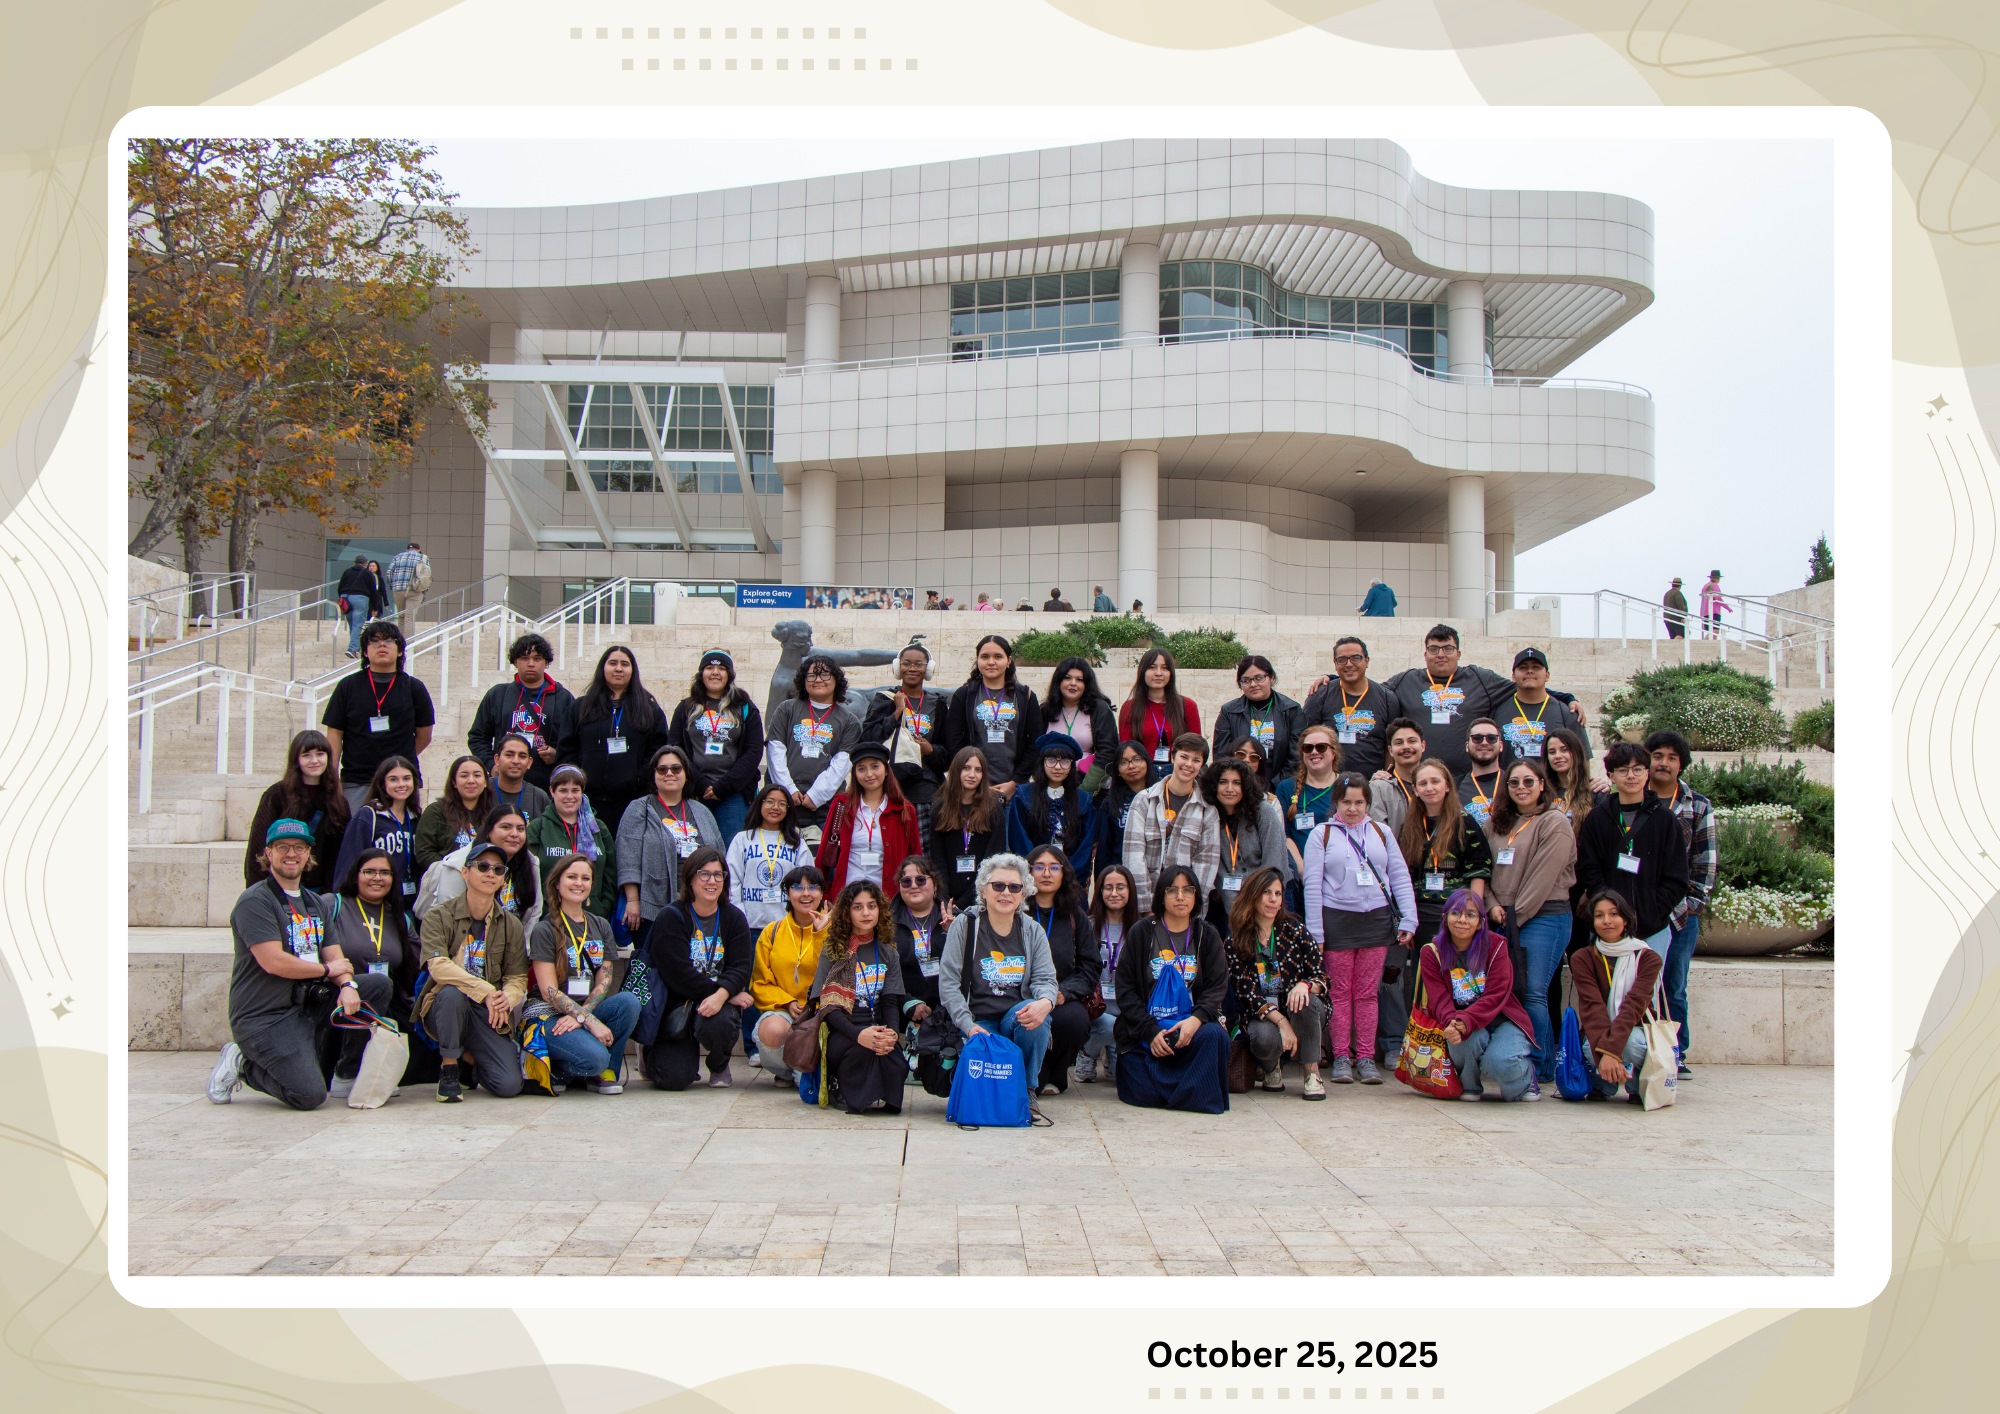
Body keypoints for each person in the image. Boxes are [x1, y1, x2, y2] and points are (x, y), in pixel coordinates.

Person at [207, 819, 395, 1109]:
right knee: (309, 1095)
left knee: (376, 986)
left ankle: (346, 1072)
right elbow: (274, 962)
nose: (291, 854)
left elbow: (335, 956)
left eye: (299, 847)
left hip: (308, 1004)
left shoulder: (314, 902)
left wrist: (347, 985)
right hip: (266, 1015)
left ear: (309, 854)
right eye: (282, 847)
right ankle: (242, 1062)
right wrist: (327, 971)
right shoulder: (255, 901)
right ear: (268, 853)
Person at [1303, 773, 1417, 1085]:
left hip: (1376, 920)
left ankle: (1365, 1058)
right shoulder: (1321, 834)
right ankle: (1341, 1056)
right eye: (1346, 802)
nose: (1352, 809)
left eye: (1359, 802)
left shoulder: (1382, 832)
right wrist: (1317, 934)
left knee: (1367, 994)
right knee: (1340, 992)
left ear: (1368, 803)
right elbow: (1311, 885)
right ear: (1336, 803)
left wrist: (1409, 919)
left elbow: (1399, 875)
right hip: (1337, 920)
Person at [1387, 757, 1493, 1064]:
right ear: (1415, 790)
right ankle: (1416, 1043)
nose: (1429, 788)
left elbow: (1478, 870)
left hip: (1454, 916)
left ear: (1447, 786)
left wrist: (1473, 917)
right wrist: (1405, 919)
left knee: (1451, 979)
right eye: (1423, 783)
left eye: (1435, 781)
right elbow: (1402, 873)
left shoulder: (1464, 822)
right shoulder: (1409, 825)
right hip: (1418, 913)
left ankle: (1454, 1045)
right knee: (1417, 981)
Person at [1485, 757, 1579, 1087]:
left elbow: (1543, 878)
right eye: (1514, 783)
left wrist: (1513, 917)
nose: (1521, 788)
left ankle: (1541, 1065)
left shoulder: (1554, 822)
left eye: (1528, 781)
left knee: (1534, 992)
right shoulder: (1497, 823)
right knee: (1509, 991)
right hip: (1503, 918)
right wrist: (1492, 905)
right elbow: (1484, 870)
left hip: (1543, 917)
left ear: (1542, 784)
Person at [938, 853, 1062, 1096]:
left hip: (1014, 1018)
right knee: (988, 1092)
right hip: (977, 1021)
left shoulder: (1032, 930)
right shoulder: (965, 925)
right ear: (984, 890)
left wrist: (1046, 1003)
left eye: (1014, 887)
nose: (1006, 892)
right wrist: (967, 1025)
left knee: (1036, 1017)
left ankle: (1027, 1091)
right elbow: (949, 983)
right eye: (998, 886)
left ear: (1023, 894)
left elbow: (1046, 979)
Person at [416, 839, 530, 1102]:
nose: (490, 873)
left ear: (503, 879)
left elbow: (516, 977)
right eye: (482, 866)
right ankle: (449, 1068)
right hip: (445, 1004)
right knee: (452, 994)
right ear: (465, 873)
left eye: (498, 870)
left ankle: (468, 1058)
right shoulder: (438, 916)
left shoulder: (510, 924)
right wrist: (487, 990)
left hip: (486, 1011)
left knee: (508, 1086)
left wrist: (506, 998)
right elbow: (438, 967)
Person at [1110, 864, 1231, 1112]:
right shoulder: (1142, 932)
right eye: (1172, 890)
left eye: (1187, 890)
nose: (1180, 897)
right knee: (1139, 1087)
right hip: (1147, 1033)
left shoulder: (1206, 934)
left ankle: (1183, 1093)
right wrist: (1149, 1031)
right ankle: (1191, 1093)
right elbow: (1125, 990)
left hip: (1189, 1029)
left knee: (1215, 1037)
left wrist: (1196, 1020)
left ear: (1196, 895)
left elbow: (1216, 987)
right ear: (1161, 896)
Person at [527, 855, 641, 1093]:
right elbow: (549, 992)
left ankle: (604, 1071)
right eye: (571, 877)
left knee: (628, 1002)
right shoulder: (544, 929)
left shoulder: (600, 925)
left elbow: (606, 978)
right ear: (557, 883)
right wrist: (588, 1020)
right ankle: (562, 1068)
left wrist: (582, 1016)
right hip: (550, 1016)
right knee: (594, 1058)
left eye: (585, 878)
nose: (579, 883)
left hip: (585, 1009)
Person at [643, 847, 754, 1089]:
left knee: (722, 1021)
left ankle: (719, 1063)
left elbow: (741, 965)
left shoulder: (734, 917)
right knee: (673, 1079)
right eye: (704, 874)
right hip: (677, 1003)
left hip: (715, 1005)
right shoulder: (671, 917)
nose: (712, 881)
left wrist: (721, 996)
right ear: (690, 878)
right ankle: (652, 1052)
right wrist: (724, 992)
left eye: (718, 875)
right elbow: (678, 974)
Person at [1416, 890, 1538, 1101]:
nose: (1462, 920)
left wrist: (1466, 1020)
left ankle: (1525, 1079)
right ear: (1445, 919)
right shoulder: (1432, 951)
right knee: (1462, 1043)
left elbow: (1497, 993)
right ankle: (1469, 1084)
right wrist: (1452, 1023)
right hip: (1461, 1021)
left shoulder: (1496, 945)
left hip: (1503, 1018)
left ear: (1481, 922)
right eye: (1456, 913)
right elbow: (1439, 998)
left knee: (1498, 1061)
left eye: (1470, 915)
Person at [1645, 729, 1716, 1078]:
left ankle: (1676, 1050)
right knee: (1642, 984)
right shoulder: (1634, 799)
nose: (1664, 763)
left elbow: (1706, 864)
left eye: (1672, 757)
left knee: (1674, 984)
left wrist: (1684, 908)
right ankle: (1644, 1047)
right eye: (1658, 755)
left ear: (1681, 765)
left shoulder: (1697, 805)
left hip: (1681, 915)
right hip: (1641, 910)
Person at [1576, 743, 1691, 953]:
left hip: (1652, 927)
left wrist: (1653, 910)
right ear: (1611, 776)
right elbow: (1588, 868)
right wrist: (1609, 910)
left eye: (1637, 769)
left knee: (1646, 985)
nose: (1631, 776)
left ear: (1647, 773)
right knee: (1608, 985)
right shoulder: (1598, 819)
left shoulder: (1665, 820)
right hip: (1607, 927)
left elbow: (1677, 876)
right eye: (1623, 770)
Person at [1227, 865, 1330, 1099]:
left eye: (1278, 893)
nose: (1274, 900)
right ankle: (1271, 1068)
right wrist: (1282, 1023)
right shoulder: (1236, 941)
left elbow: (1322, 976)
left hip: (1301, 1010)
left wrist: (1304, 985)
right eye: (1267, 893)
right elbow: (1246, 994)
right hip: (1263, 1013)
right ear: (1252, 895)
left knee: (1306, 1002)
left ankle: (1311, 1073)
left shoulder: (1295, 930)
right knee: (1264, 1036)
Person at [807, 880, 908, 1113]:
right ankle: (841, 1087)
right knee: (861, 1050)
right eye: (857, 907)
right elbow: (827, 1008)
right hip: (843, 1029)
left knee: (894, 1059)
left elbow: (891, 1000)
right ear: (846, 912)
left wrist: (891, 1033)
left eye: (872, 906)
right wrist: (859, 1034)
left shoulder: (888, 951)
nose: (866, 913)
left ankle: (882, 1096)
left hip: (877, 1024)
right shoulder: (834, 949)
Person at [320, 621, 435, 811]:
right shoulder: (347, 687)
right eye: (374, 641)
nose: (382, 645)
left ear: (399, 651)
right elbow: (334, 733)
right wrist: (332, 777)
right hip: (357, 780)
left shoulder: (414, 688)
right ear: (365, 651)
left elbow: (425, 735)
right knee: (358, 834)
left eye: (389, 640)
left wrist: (400, 757)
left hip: (401, 779)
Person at [617, 745, 726, 940]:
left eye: (676, 769)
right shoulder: (639, 808)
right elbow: (628, 858)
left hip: (699, 906)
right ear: (653, 775)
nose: (669, 774)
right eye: (662, 769)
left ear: (686, 774)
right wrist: (632, 900)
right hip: (653, 910)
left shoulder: (701, 811)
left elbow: (719, 855)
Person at [561, 644, 671, 837]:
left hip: (632, 802)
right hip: (587, 802)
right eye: (612, 663)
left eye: (624, 664)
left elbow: (657, 751)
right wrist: (579, 779)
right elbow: (567, 749)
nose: (618, 668)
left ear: (632, 670)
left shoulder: (650, 710)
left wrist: (638, 778)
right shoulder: (581, 707)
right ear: (603, 668)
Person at [1378, 624, 1514, 777]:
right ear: (1425, 654)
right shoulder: (1406, 680)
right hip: (1420, 779)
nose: (1440, 654)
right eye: (1434, 649)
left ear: (1458, 653)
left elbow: (1522, 688)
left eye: (1448, 648)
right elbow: (1373, 694)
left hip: (1468, 779)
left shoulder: (1480, 679)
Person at [1020, 843, 1102, 1094]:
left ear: (1064, 873)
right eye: (1039, 867)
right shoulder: (1014, 911)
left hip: (1060, 998)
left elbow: (1090, 966)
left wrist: (1063, 992)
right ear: (1027, 873)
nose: (1046, 873)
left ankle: (1056, 1069)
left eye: (1054, 867)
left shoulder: (1075, 916)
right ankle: (1034, 1070)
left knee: (1076, 1020)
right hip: (1020, 996)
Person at [1571, 889, 1665, 1101]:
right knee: (1590, 1044)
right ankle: (1604, 1085)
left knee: (1631, 1043)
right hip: (1599, 1027)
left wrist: (1610, 1052)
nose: (1607, 921)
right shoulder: (1583, 957)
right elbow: (1593, 1007)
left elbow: (1633, 1007)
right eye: (1599, 915)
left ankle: (1636, 1087)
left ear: (1626, 919)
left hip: (1635, 1026)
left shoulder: (1647, 958)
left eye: (1614, 914)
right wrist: (1607, 1052)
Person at [325, 847, 420, 1044]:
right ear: (355, 874)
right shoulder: (332, 906)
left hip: (387, 1004)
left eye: (385, 873)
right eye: (369, 871)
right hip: (340, 999)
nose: (377, 877)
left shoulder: (401, 918)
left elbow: (417, 965)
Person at [670, 649, 766, 843]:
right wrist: (699, 783)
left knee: (730, 851)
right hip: (695, 791)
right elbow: (675, 748)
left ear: (729, 675)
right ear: (701, 674)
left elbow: (754, 750)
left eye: (721, 668)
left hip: (733, 794)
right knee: (695, 850)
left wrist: (725, 785)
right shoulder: (685, 707)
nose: (715, 672)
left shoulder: (745, 707)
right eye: (709, 668)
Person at [1122, 733, 1222, 913]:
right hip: (1147, 905)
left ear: (1202, 765)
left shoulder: (1207, 810)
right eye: (1184, 757)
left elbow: (1206, 864)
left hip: (1185, 908)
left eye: (1196, 760)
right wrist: (1146, 907)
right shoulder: (1144, 801)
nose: (1189, 764)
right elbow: (1133, 855)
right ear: (1173, 757)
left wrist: (1190, 907)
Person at [747, 865, 830, 1083]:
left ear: (822, 893)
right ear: (787, 893)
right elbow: (759, 983)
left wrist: (821, 934)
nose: (805, 893)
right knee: (772, 1029)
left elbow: (832, 973)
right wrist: (788, 1002)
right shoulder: (772, 932)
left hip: (823, 1011)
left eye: (813, 887)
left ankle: (803, 1075)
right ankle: (788, 1073)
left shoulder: (835, 930)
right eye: (797, 887)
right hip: (786, 1011)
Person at [765, 652, 862, 831]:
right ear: (803, 679)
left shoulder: (849, 721)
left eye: (825, 674)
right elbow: (775, 752)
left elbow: (842, 764)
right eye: (812, 675)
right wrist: (789, 790)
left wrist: (816, 795)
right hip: (783, 801)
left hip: (825, 806)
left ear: (836, 680)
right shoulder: (786, 709)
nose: (818, 679)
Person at [468, 633, 576, 794]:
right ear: (515, 662)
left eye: (537, 658)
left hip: (546, 786)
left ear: (546, 662)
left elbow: (574, 742)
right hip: (502, 785)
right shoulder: (497, 695)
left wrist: (557, 755)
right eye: (525, 658)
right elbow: (477, 737)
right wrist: (491, 765)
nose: (531, 664)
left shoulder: (563, 698)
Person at [243, 730, 350, 892]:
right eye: (306, 755)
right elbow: (257, 848)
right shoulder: (276, 795)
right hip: (278, 889)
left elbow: (340, 854)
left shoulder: (338, 801)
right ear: (296, 759)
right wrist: (257, 892)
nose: (314, 760)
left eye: (320, 754)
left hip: (320, 893)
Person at [861, 641, 948, 838]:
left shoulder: (938, 705)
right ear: (897, 667)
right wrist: (896, 713)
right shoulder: (884, 699)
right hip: (889, 789)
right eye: (906, 663)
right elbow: (868, 739)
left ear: (928, 668)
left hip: (926, 792)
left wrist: (931, 751)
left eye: (919, 664)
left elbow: (947, 754)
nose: (912, 669)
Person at [940, 634, 1043, 796]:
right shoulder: (964, 695)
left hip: (1014, 788)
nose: (991, 662)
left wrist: (1015, 781)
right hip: (972, 788)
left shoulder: (1025, 696)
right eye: (985, 657)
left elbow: (1035, 743)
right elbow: (954, 741)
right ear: (977, 660)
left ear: (1009, 661)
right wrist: (973, 780)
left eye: (998, 657)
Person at [817, 741, 922, 892]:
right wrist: (825, 896)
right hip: (846, 899)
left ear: (886, 770)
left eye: (875, 766)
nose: (869, 774)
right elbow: (822, 856)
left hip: (888, 901)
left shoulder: (904, 810)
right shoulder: (841, 805)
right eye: (861, 769)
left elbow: (915, 858)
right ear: (855, 773)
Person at [1201, 754, 1288, 925]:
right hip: (1230, 904)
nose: (1229, 789)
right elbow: (1217, 870)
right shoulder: (1209, 816)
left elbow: (1274, 863)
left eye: (1237, 783)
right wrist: (1237, 909)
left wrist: (1257, 904)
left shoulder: (1264, 812)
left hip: (1268, 899)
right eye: (1223, 782)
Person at [525, 765, 619, 919]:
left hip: (592, 917)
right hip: (550, 919)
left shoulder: (598, 828)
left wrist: (603, 907)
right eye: (563, 790)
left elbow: (610, 872)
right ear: (552, 791)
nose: (570, 796)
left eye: (575, 790)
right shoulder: (538, 827)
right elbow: (527, 872)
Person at [330, 756, 422, 908]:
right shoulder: (368, 816)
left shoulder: (417, 818)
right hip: (374, 905)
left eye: (406, 778)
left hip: (409, 906)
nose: (401, 784)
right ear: (382, 783)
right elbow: (347, 865)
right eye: (393, 779)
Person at [1006, 732, 1100, 881]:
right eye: (1051, 760)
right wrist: (1037, 869)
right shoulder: (1023, 797)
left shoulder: (1083, 800)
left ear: (1071, 765)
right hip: (1033, 878)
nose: (1057, 767)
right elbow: (1019, 838)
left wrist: (1068, 875)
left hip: (1072, 880)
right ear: (1042, 762)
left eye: (1064, 761)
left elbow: (1086, 845)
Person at [1300, 636, 1394, 781]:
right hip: (1328, 785)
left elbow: (1391, 744)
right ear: (1335, 663)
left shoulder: (1387, 698)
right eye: (1342, 659)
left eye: (1355, 658)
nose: (1349, 664)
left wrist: (1386, 779)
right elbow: (1304, 738)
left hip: (1373, 784)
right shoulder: (1320, 696)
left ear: (1367, 661)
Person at [1077, 864, 1137, 1085]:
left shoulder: (1139, 928)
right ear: (1099, 891)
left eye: (1120, 887)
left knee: (1122, 1077)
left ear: (1130, 891)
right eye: (1108, 887)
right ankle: (1087, 1053)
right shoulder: (1088, 925)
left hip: (1126, 1012)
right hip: (1095, 1010)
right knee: (1109, 1026)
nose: (1114, 893)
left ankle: (1113, 1049)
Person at [928, 746, 1007, 910]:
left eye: (978, 770)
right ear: (956, 770)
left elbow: (993, 858)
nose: (972, 775)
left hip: (982, 897)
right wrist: (946, 900)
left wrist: (965, 902)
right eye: (966, 768)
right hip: (947, 900)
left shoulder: (993, 808)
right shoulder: (939, 808)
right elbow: (937, 859)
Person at [1275, 723, 1343, 909]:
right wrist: (1303, 870)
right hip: (1302, 878)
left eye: (1321, 747)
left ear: (1333, 752)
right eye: (1307, 748)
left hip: (1339, 878)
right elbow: (1285, 834)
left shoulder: (1346, 784)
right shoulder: (1286, 788)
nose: (1314, 752)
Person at [890, 855, 955, 1044]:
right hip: (902, 1014)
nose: (913, 885)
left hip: (949, 1014)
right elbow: (884, 972)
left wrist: (955, 934)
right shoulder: (886, 922)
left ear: (935, 885)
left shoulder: (954, 917)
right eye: (906, 881)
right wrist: (907, 1002)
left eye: (921, 879)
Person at [1211, 655, 1306, 782]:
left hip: (1279, 785)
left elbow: (1296, 756)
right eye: (1246, 680)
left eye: (1259, 678)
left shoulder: (1291, 710)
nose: (1253, 684)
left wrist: (1275, 785)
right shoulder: (1229, 711)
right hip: (1239, 784)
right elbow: (1221, 755)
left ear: (1271, 678)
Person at [727, 784, 808, 933]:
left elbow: (806, 883)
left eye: (782, 804)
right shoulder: (742, 839)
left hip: (786, 927)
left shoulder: (797, 843)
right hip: (748, 926)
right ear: (760, 803)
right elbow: (732, 881)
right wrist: (739, 916)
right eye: (770, 801)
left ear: (788, 809)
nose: (775, 807)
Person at [1119, 648, 1201, 782]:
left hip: (1179, 776)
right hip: (1142, 777)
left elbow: (1196, 748)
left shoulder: (1187, 706)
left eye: (1164, 668)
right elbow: (1125, 749)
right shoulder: (1130, 708)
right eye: (1152, 667)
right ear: (1142, 672)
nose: (1158, 673)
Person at [1499, 648, 1589, 765]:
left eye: (1536, 667)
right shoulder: (1497, 709)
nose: (1530, 671)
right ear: (1513, 676)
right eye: (1523, 668)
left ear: (1547, 675)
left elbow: (1583, 759)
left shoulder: (1567, 713)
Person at [1040, 657, 1118, 784]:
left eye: (1080, 680)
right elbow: (1035, 750)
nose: (1073, 683)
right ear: (1058, 681)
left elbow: (1108, 752)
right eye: (1067, 678)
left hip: (1088, 782)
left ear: (1087, 684)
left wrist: (1085, 790)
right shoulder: (1045, 710)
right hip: (1051, 783)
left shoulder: (1099, 709)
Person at [413, 755, 493, 874]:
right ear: (454, 782)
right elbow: (424, 852)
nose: (471, 780)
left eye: (477, 775)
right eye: (464, 776)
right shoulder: (435, 811)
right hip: (444, 880)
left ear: (486, 782)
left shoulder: (492, 815)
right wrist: (454, 871)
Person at [1097, 739, 1156, 879]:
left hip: (1155, 874)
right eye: (1124, 762)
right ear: (1117, 771)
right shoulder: (1110, 804)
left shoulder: (1160, 796)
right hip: (1122, 877)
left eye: (1136, 759)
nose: (1131, 766)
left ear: (1146, 761)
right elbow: (1104, 849)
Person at [1367, 717, 1427, 835]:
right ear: (1390, 750)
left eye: (1412, 741)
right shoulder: (1378, 787)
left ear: (1423, 746)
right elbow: (1378, 835)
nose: (1406, 747)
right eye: (1399, 743)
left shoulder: (1435, 784)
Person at [486, 732, 554, 822]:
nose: (515, 761)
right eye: (509, 755)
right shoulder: (483, 790)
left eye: (522, 756)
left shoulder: (539, 797)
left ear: (529, 762)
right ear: (497, 759)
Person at [1456, 718, 1506, 831]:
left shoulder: (1513, 783)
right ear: (1467, 746)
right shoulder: (1454, 787)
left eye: (1491, 738)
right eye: (1477, 738)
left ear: (1501, 745)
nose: (1484, 742)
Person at [1544, 726, 1599, 827]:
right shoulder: (1541, 791)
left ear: (1576, 752)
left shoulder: (1595, 790)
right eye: (1552, 752)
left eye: (1564, 750)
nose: (1558, 756)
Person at [335, 554, 376, 658]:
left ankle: (355, 648)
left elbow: (340, 587)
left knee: (352, 625)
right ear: (365, 564)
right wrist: (375, 606)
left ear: (355, 562)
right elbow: (373, 591)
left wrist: (342, 597)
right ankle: (352, 649)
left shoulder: (347, 571)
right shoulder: (368, 573)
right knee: (357, 625)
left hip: (346, 599)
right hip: (361, 599)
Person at [386, 541, 429, 625]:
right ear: (419, 550)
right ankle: (408, 638)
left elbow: (389, 573)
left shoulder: (397, 557)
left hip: (398, 590)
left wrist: (392, 586)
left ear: (407, 549)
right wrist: (425, 589)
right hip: (415, 590)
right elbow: (426, 575)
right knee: (409, 618)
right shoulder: (423, 558)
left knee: (401, 616)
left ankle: (401, 638)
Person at [1699, 570, 1730, 638]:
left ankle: (1705, 645)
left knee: (1712, 632)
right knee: (1715, 631)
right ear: (1717, 578)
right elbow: (1718, 598)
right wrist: (1728, 608)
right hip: (1714, 612)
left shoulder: (1705, 586)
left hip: (1705, 612)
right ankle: (1704, 644)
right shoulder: (1715, 586)